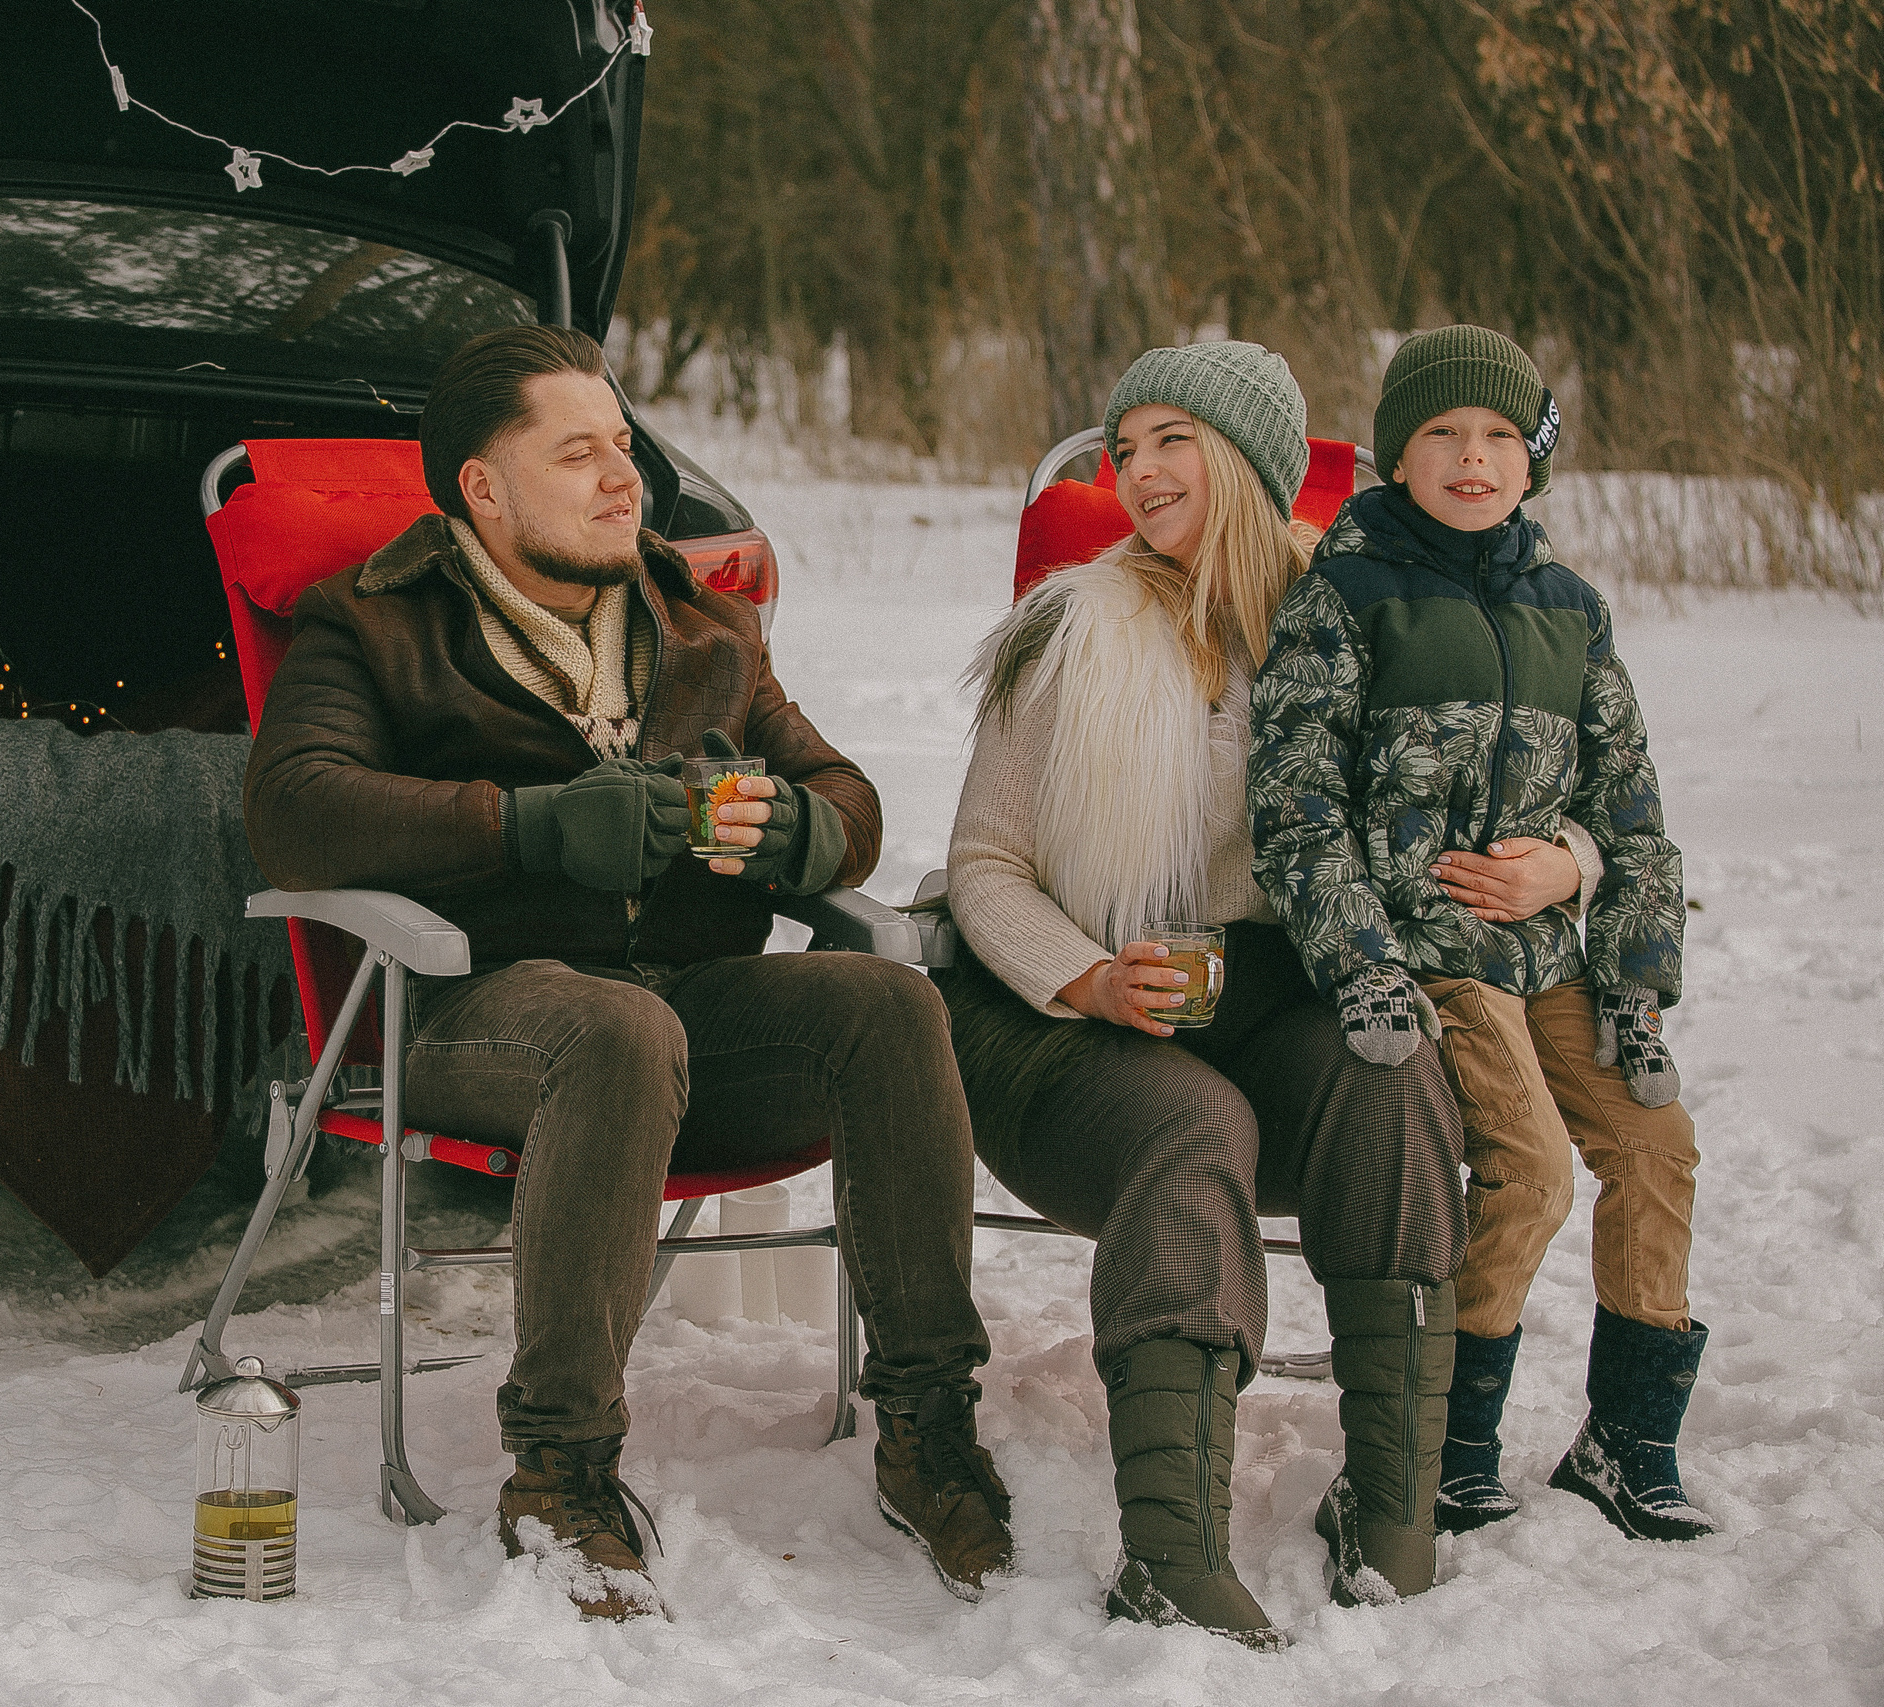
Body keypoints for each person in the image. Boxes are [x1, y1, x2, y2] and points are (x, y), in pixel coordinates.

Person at [242, 325, 1009, 1620]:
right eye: (578, 450)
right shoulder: (379, 620)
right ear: (483, 488)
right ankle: (561, 1467)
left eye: (625, 446)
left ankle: (930, 1428)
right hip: (479, 1011)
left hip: (686, 1014)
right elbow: (294, 808)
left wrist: (802, 830)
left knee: (886, 999)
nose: (624, 477)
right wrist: (529, 824)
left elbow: (848, 795)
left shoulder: (699, 623)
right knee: (612, 1028)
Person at [942, 340, 1508, 1649]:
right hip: (1066, 1016)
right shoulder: (1071, 631)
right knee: (1191, 1126)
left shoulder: (1366, 626)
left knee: (1393, 1069)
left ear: (1251, 460)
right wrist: (1085, 971)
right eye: (1121, 447)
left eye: (1168, 439)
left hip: (1272, 991)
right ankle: (1173, 1554)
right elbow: (984, 863)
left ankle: (1392, 1506)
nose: (1135, 471)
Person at [1249, 324, 1710, 1544]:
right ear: (1395, 457)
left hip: (1555, 950)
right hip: (1426, 952)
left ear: (1532, 457)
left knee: (1654, 1145)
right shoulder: (1344, 596)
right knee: (1531, 1167)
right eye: (1442, 434)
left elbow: (1630, 805)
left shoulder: (1572, 609)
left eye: (1501, 435)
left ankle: (1627, 1439)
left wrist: (1596, 910)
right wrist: (1364, 959)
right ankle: (1448, 1441)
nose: (1472, 457)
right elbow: (1294, 801)